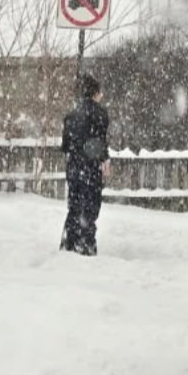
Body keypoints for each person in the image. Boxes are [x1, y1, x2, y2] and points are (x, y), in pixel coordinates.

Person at [60, 74, 111, 256]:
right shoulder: (100, 114)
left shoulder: (71, 116)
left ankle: (70, 242)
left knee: (74, 206)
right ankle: (86, 244)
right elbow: (99, 142)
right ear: (95, 93)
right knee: (89, 208)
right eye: (100, 92)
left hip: (74, 168)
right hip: (90, 169)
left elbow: (65, 145)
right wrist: (104, 159)